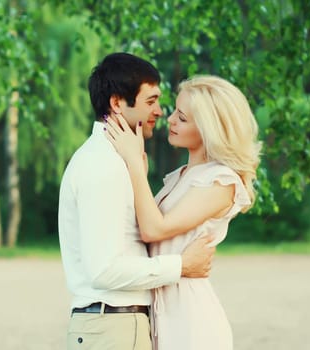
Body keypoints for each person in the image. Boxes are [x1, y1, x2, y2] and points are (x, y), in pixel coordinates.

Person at [57, 53, 216, 350]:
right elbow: (104, 270)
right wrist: (181, 265)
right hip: (113, 327)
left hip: (114, 326)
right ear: (117, 103)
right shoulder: (102, 165)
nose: (159, 111)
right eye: (150, 101)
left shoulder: (117, 162)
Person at [104, 75, 262, 350]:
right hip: (162, 310)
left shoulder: (220, 181)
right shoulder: (179, 176)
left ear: (208, 129)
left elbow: (153, 229)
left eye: (182, 117)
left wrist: (133, 162)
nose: (170, 120)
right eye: (174, 111)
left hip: (191, 318)